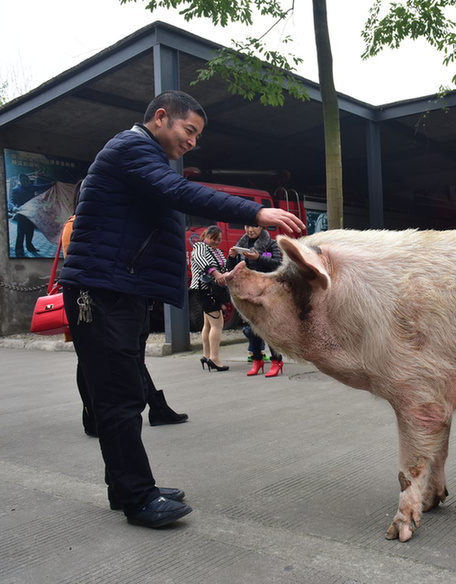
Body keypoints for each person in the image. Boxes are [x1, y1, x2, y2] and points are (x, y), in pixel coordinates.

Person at [58, 90, 304, 529]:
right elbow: (179, 192)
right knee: (119, 398)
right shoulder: (132, 148)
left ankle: (125, 486)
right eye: (189, 130)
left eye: (197, 136)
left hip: (119, 289)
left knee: (124, 391)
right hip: (101, 290)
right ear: (161, 117)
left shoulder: (143, 156)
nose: (192, 141)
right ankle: (137, 497)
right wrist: (255, 211)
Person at [61, 181, 188, 436]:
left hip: (124, 301)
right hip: (93, 306)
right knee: (90, 363)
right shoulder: (76, 223)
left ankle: (154, 406)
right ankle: (94, 415)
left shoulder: (108, 221)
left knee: (128, 358)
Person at [227, 224, 284, 377]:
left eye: (254, 227)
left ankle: (276, 361)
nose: (250, 230)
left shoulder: (271, 243)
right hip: (248, 293)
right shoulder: (241, 244)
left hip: (268, 291)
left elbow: (279, 264)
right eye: (246, 226)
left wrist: (259, 258)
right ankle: (257, 360)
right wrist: (231, 258)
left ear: (261, 227)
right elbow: (231, 269)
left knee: (269, 328)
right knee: (253, 328)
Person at [189, 225, 230, 372]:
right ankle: (214, 358)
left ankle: (206, 355)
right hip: (205, 290)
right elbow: (200, 260)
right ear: (206, 236)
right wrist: (216, 274)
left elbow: (224, 268)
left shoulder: (217, 251)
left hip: (208, 291)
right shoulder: (200, 247)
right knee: (218, 324)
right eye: (213, 238)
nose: (216, 242)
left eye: (218, 239)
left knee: (207, 324)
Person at [10, 173, 53, 257]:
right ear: (20, 181)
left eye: (27, 180)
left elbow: (42, 186)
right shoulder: (16, 190)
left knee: (30, 231)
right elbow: (11, 201)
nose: (26, 182)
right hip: (22, 214)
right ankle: (19, 251)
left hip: (31, 214)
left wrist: (52, 184)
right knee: (21, 233)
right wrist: (14, 207)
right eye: (24, 180)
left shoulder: (31, 187)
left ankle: (30, 247)